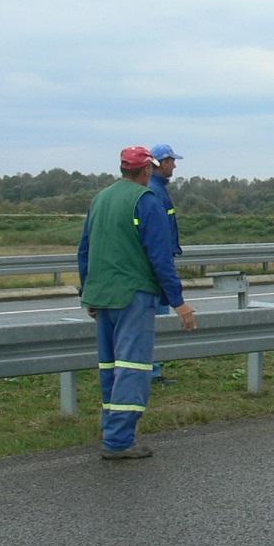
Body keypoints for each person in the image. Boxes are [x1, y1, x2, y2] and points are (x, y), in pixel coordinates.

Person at [77, 146, 196, 460]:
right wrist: (178, 302)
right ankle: (118, 441)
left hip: (102, 295)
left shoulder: (100, 199)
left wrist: (87, 291)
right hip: (133, 295)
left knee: (110, 367)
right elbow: (161, 256)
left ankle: (113, 429)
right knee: (133, 368)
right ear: (146, 171)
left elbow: (85, 249)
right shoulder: (146, 201)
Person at [146, 143, 183, 382]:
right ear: (160, 163)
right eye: (171, 161)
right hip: (159, 264)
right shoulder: (155, 192)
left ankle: (153, 369)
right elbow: (158, 236)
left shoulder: (158, 189)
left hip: (162, 259)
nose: (175, 165)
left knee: (157, 318)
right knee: (158, 319)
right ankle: (153, 371)